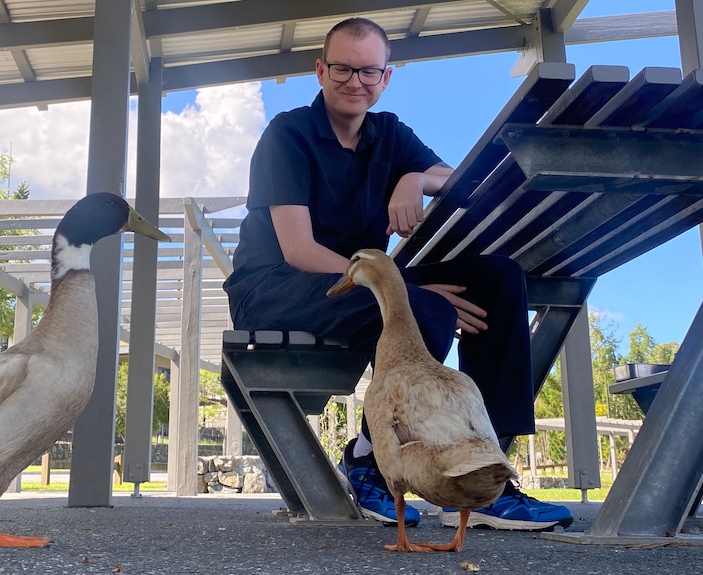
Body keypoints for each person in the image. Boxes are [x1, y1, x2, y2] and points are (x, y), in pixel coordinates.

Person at [223, 17, 572, 532]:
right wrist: (400, 289)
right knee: (420, 304)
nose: (354, 81)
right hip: (276, 287)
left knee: (497, 277)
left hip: (362, 283)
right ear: (320, 71)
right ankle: (369, 459)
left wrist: (413, 177)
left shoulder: (390, 134)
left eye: (368, 71)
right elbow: (299, 250)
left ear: (385, 78)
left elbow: (462, 182)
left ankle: (485, 477)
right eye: (341, 68)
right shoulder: (289, 134)